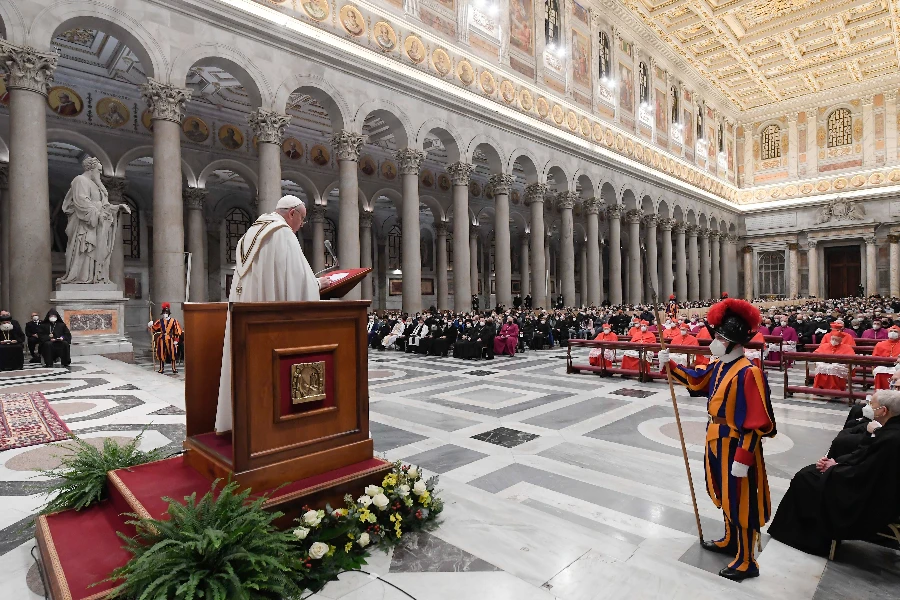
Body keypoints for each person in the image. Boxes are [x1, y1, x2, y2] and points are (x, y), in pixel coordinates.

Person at [659, 299, 776, 581]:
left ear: (734, 342)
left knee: (741, 500)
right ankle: (730, 539)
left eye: (721, 338)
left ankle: (747, 560)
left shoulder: (749, 372)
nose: (715, 341)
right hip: (715, 439)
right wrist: (671, 365)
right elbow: (698, 382)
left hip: (736, 445)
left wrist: (744, 458)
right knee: (724, 494)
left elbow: (757, 423)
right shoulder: (721, 365)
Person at [215, 195, 328, 433]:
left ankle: (247, 423)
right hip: (272, 325)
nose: (301, 226)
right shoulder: (282, 233)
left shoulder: (249, 235)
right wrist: (319, 284)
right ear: (292, 214)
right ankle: (273, 427)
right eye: (303, 220)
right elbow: (299, 283)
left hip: (248, 319)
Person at [768, 390, 900, 557]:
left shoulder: (891, 439)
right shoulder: (891, 431)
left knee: (805, 478)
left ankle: (807, 538)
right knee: (809, 473)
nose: (868, 407)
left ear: (883, 411)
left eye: (872, 405)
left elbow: (863, 473)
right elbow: (864, 457)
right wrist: (837, 462)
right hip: (868, 482)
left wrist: (834, 469)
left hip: (872, 498)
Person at [149, 302, 182, 374]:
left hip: (170, 338)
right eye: (164, 313)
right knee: (161, 353)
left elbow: (177, 331)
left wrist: (176, 340)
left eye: (166, 313)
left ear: (169, 313)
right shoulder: (160, 321)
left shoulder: (174, 321)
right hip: (161, 338)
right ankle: (161, 368)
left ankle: (174, 368)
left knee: (172, 353)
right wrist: (151, 325)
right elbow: (154, 329)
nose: (165, 314)